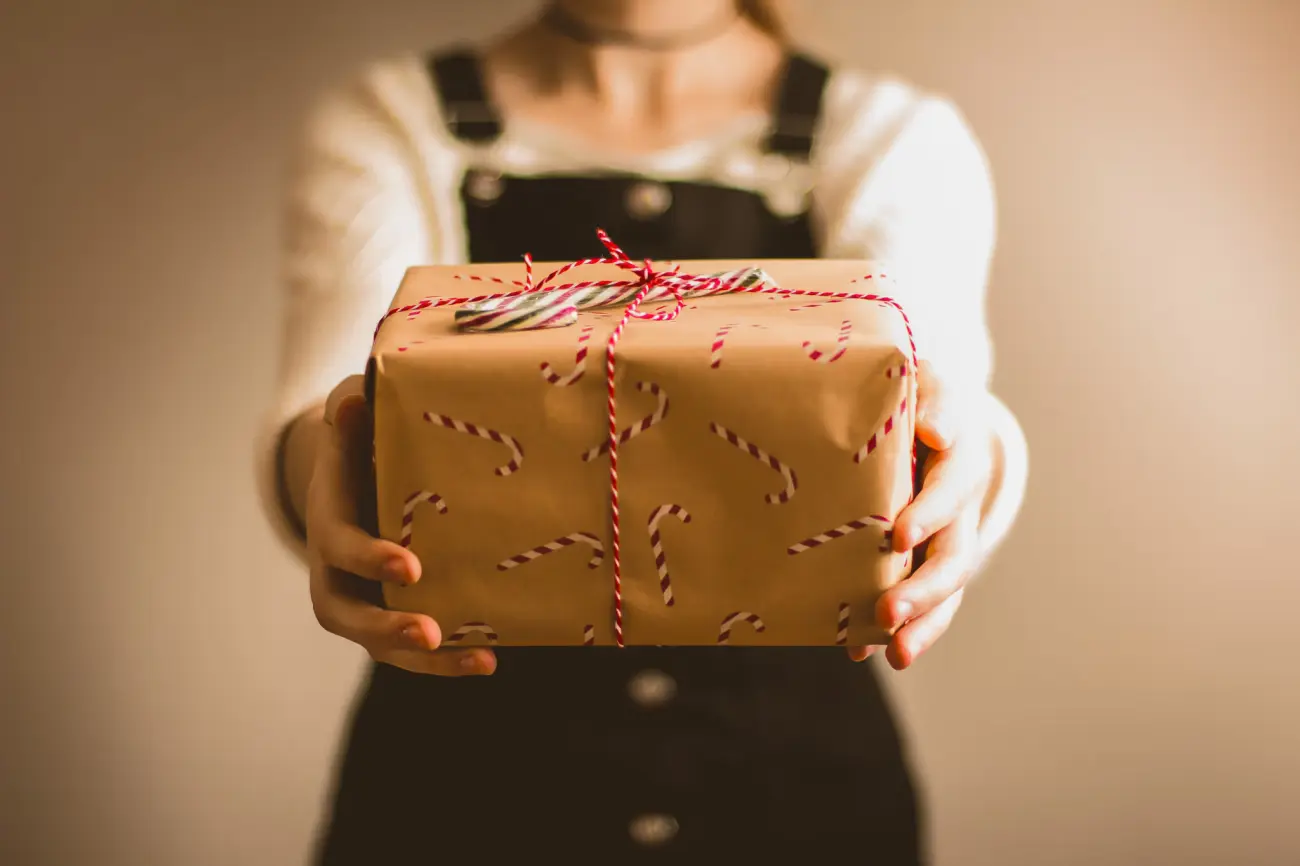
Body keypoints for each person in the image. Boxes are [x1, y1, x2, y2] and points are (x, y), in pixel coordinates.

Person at [257, 0, 1029, 861]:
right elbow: (331, 398)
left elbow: (941, 390)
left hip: (798, 802)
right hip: (462, 804)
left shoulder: (889, 134)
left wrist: (974, 460)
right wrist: (323, 473)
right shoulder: (394, 121)